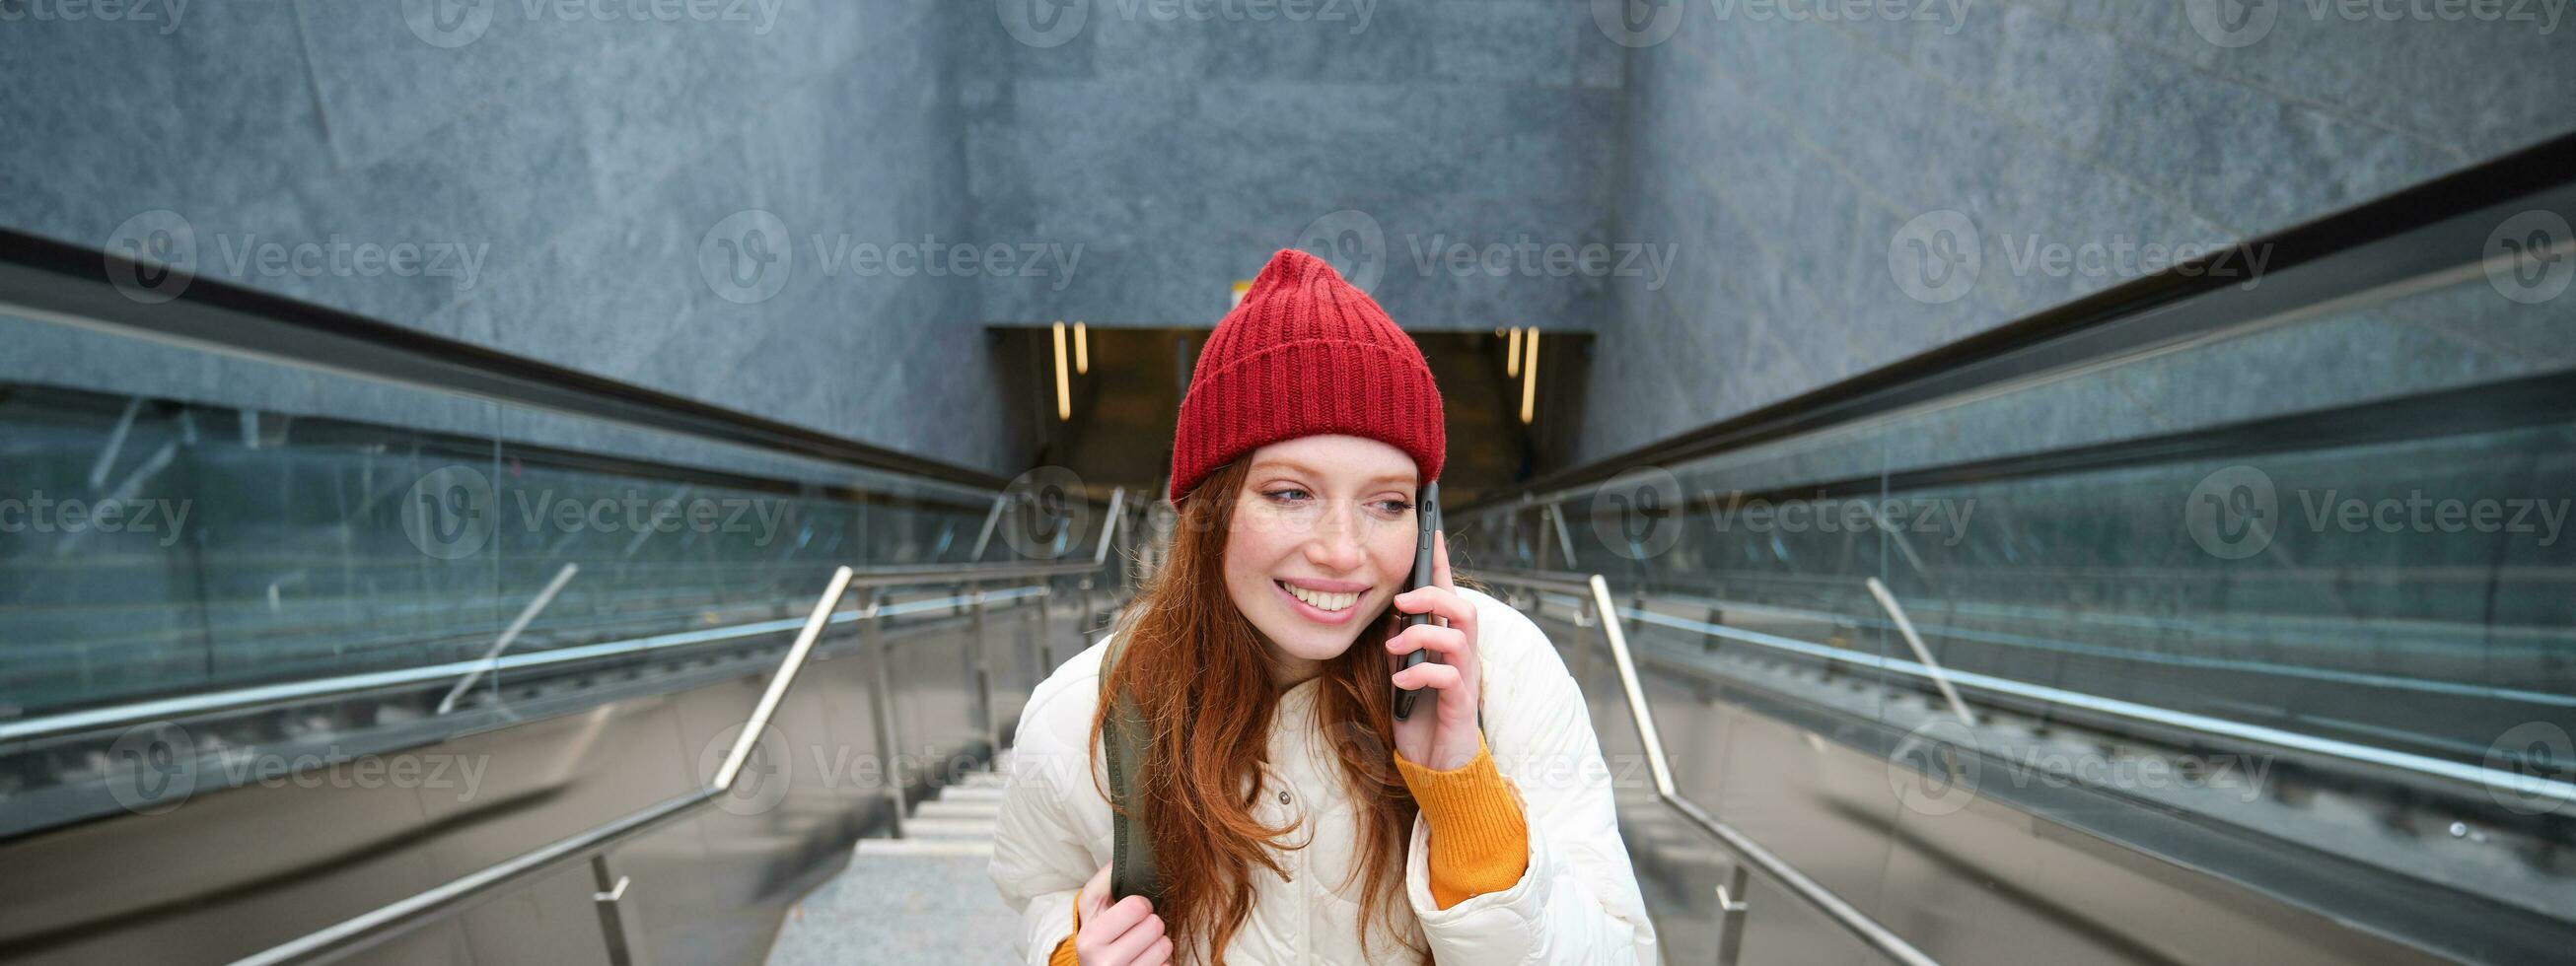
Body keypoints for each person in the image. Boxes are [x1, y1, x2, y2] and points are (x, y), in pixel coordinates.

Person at [990, 248, 1660, 964]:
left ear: (1425, 518)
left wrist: (1465, 791)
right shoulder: (1086, 710)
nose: (1344, 551)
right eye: (1291, 493)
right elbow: (1043, 893)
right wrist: (1067, 954)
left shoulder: (1503, 672)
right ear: (1205, 510)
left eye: (1387, 503)